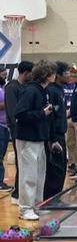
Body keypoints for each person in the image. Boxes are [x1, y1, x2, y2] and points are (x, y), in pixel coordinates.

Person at [14, 59, 58, 221]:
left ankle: (36, 205)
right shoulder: (31, 91)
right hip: (28, 138)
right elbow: (20, 113)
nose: (55, 76)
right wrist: (41, 113)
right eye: (53, 73)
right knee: (29, 174)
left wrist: (52, 139)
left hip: (39, 139)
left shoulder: (44, 91)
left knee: (40, 174)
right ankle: (25, 208)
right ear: (47, 75)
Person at [6, 61, 34, 204]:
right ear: (26, 73)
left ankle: (22, 191)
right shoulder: (12, 87)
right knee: (19, 162)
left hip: (25, 131)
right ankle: (16, 194)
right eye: (31, 72)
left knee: (25, 162)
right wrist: (16, 128)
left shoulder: (24, 87)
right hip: (17, 130)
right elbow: (12, 112)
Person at [43, 62, 71, 203]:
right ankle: (50, 199)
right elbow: (51, 116)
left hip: (61, 133)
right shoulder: (52, 91)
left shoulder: (60, 90)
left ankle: (56, 197)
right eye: (66, 73)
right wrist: (52, 138)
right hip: (55, 135)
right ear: (58, 75)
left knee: (62, 167)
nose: (69, 76)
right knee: (55, 168)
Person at [0, 69, 12, 191]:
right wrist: (9, 102)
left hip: (4, 125)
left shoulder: (3, 88)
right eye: (3, 75)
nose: (5, 77)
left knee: (2, 155)